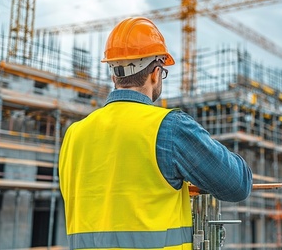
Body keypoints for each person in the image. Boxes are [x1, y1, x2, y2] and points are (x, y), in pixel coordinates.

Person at [59, 17, 253, 250]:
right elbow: (238, 184)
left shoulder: (73, 135)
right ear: (156, 73)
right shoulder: (169, 127)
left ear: (114, 76)